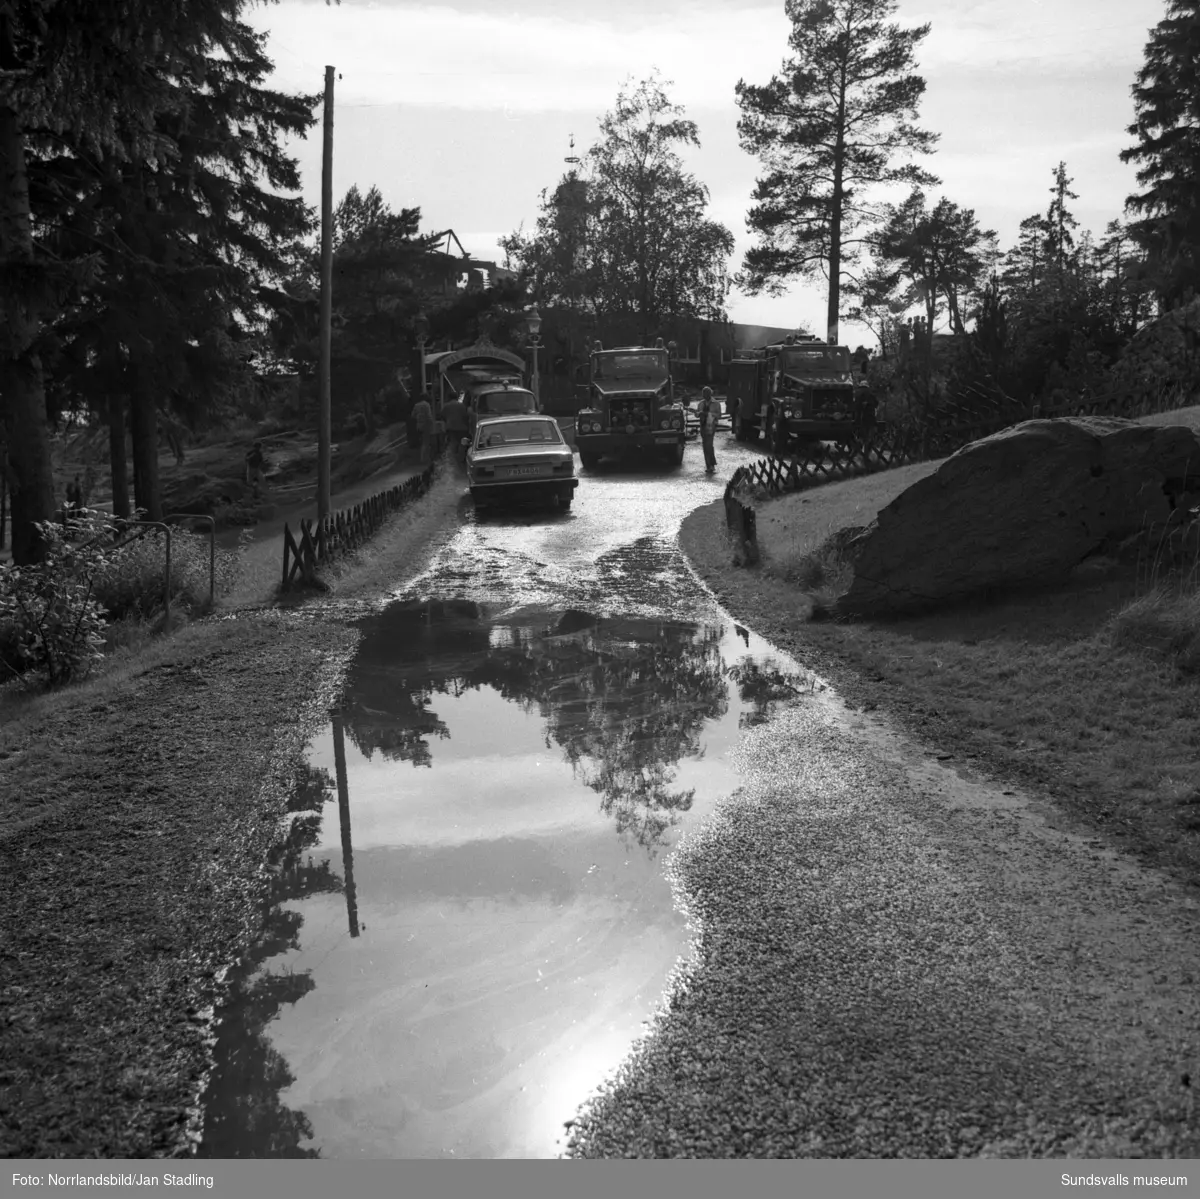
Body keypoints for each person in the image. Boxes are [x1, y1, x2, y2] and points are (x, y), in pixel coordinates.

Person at [697, 386, 722, 474]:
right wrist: (698, 413)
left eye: (707, 393)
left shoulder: (716, 403)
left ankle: (711, 465)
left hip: (711, 427)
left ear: (710, 393)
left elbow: (719, 415)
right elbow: (697, 414)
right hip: (703, 426)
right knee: (706, 446)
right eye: (703, 394)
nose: (705, 395)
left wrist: (709, 414)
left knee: (708, 445)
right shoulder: (701, 403)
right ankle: (710, 465)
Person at [441, 393, 469, 462]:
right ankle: (461, 458)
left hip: (451, 427)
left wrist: (447, 421)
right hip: (462, 428)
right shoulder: (462, 405)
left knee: (453, 442)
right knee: (462, 443)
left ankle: (452, 459)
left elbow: (442, 416)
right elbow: (466, 416)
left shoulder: (446, 406)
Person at [411, 392, 435, 464]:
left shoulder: (416, 405)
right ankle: (424, 459)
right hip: (426, 425)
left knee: (422, 441)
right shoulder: (426, 404)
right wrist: (432, 423)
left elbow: (413, 416)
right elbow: (429, 415)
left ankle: (422, 457)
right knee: (426, 442)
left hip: (419, 426)